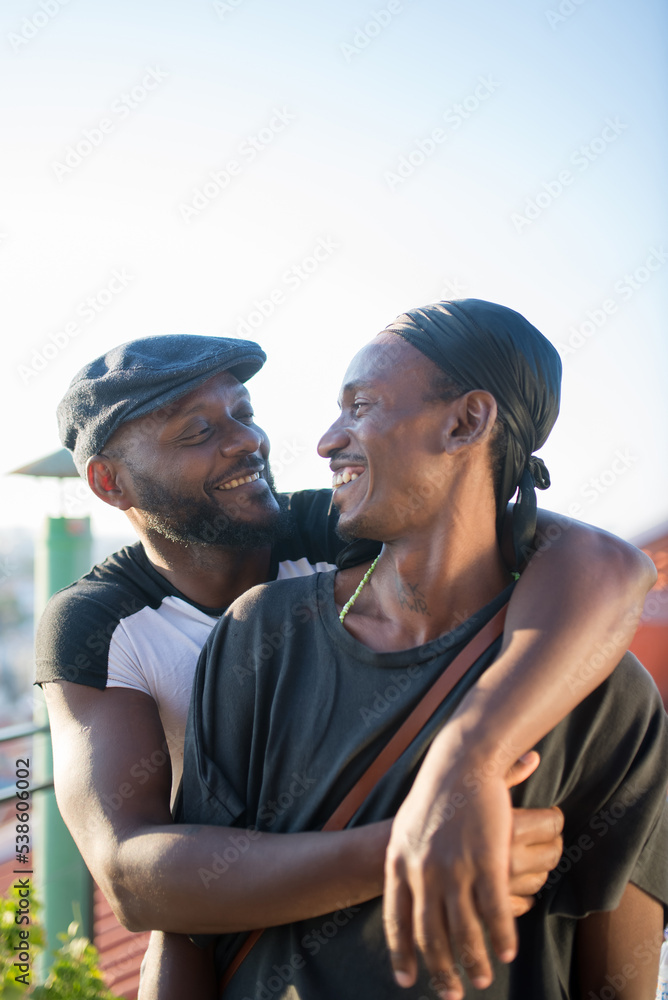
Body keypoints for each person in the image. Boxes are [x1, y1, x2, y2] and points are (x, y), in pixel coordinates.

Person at [36, 326, 655, 990]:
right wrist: (419, 845)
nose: (246, 440)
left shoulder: (339, 533)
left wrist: (465, 760)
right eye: (197, 433)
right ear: (110, 483)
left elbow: (605, 565)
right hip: (236, 938)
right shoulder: (100, 623)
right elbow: (134, 875)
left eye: (243, 414)